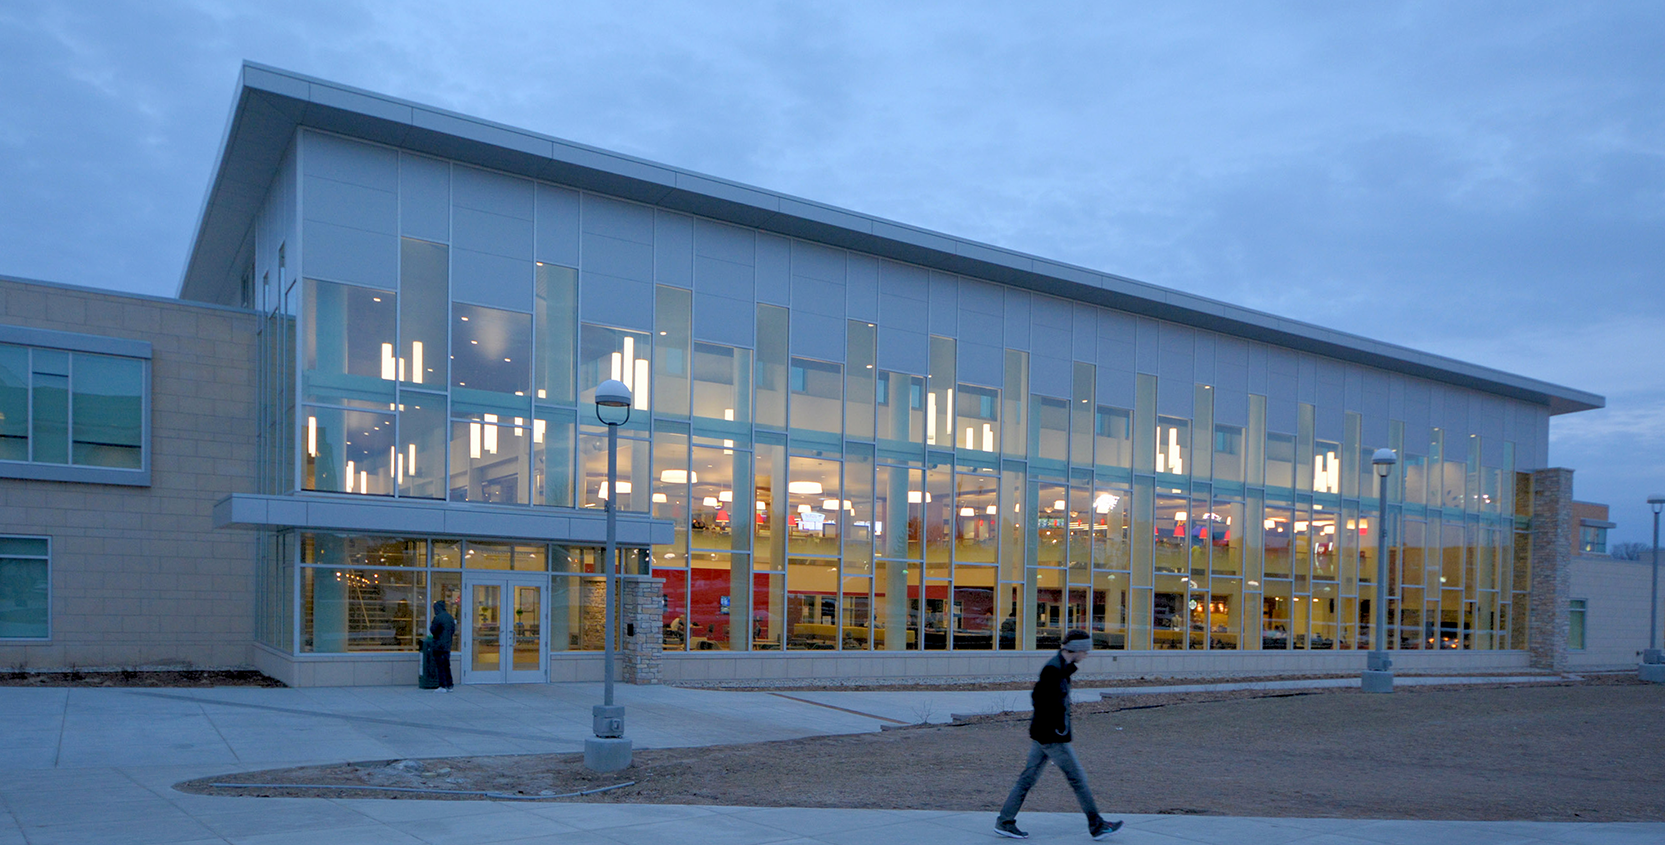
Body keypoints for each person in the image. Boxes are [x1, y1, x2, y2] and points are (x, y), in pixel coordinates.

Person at [995, 629, 1121, 840]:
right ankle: (1097, 825)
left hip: (1043, 736)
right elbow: (1039, 698)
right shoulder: (1053, 670)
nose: (1087, 655)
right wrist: (1056, 727)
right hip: (1052, 738)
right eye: (1086, 651)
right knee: (1078, 780)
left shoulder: (1060, 667)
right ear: (1078, 649)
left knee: (1026, 780)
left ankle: (1004, 821)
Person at [429, 599, 456, 693]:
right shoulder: (450, 617)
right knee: (446, 665)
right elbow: (453, 630)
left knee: (440, 666)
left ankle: (442, 685)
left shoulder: (438, 618)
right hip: (447, 644)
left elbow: (433, 630)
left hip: (438, 645)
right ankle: (449, 684)